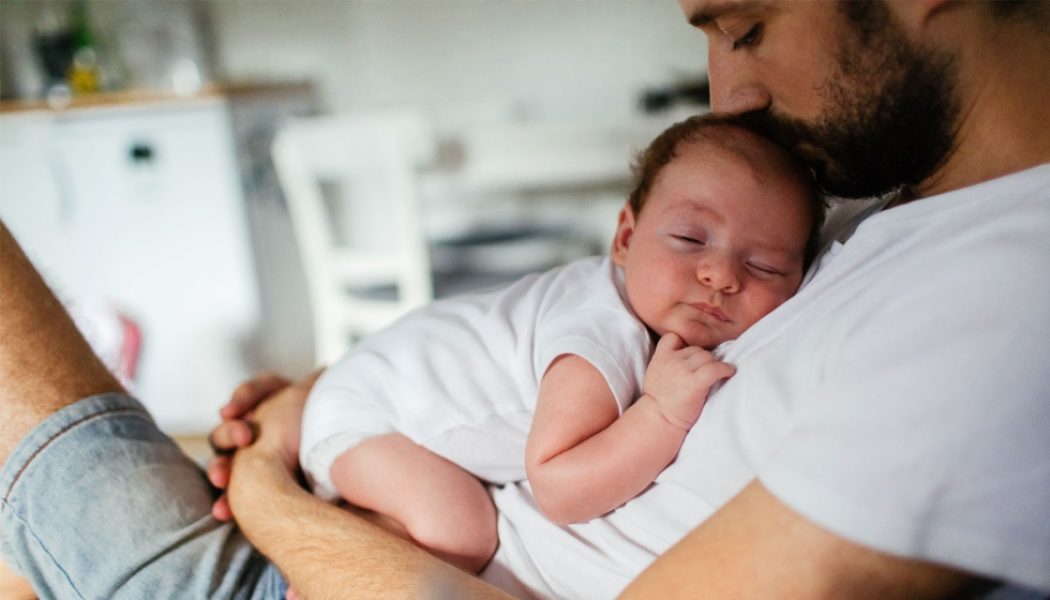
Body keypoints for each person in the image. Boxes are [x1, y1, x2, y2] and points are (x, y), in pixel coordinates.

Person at [1, 0, 1047, 598]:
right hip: (406, 523)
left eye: (747, 24)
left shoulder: (1008, 291)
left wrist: (268, 486)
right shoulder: (884, 217)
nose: (732, 95)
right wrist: (333, 401)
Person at [295, 113, 822, 574]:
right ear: (624, 239)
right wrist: (662, 413)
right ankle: (328, 559)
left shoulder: (638, 306)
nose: (721, 275)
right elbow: (558, 489)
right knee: (464, 531)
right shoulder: (600, 334)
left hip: (377, 382)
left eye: (765, 266)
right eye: (690, 239)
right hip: (366, 415)